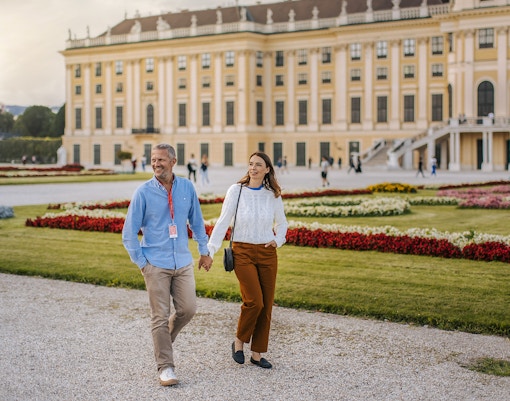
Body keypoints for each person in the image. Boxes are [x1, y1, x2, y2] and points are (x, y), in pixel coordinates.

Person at [122, 143, 213, 386]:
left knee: (188, 310)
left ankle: (162, 343)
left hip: (182, 262)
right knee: (159, 317)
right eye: (153, 160)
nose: (156, 164)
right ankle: (166, 366)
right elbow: (128, 233)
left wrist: (204, 252)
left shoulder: (186, 187)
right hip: (156, 263)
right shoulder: (143, 192)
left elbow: (196, 222)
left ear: (173, 161)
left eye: (161, 160)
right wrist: (143, 263)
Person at [207, 152, 288, 370]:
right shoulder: (236, 191)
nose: (253, 168)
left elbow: (282, 223)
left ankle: (257, 353)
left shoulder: (273, 194)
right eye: (251, 164)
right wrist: (210, 249)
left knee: (266, 304)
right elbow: (223, 222)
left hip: (267, 252)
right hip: (242, 251)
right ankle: (238, 342)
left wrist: (277, 241)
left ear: (267, 169)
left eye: (258, 165)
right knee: (255, 301)